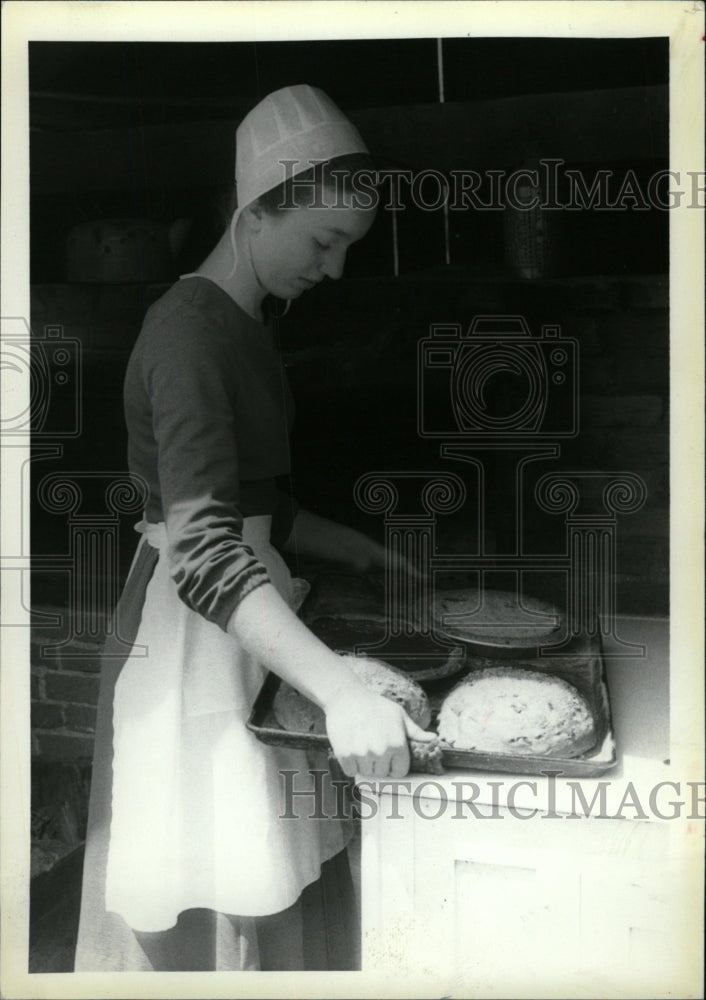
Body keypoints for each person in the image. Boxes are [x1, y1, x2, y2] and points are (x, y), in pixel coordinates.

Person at [74, 84, 432, 973]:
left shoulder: (245, 326)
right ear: (259, 206)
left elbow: (253, 502)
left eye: (350, 247)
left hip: (246, 622)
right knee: (204, 883)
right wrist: (342, 691)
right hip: (192, 634)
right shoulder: (188, 334)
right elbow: (201, 548)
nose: (337, 269)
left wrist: (348, 545)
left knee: (265, 876)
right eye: (324, 241)